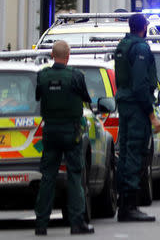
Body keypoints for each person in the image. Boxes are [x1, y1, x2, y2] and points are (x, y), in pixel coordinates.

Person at [34, 40, 94, 235]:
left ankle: (41, 224)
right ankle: (77, 223)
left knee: (48, 178)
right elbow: (86, 98)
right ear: (68, 56)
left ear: (52, 55)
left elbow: (38, 96)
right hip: (71, 133)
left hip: (50, 133)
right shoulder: (76, 76)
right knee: (75, 177)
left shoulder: (42, 76)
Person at [114, 13, 160, 222]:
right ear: (144, 28)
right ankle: (130, 206)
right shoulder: (141, 48)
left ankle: (123, 202)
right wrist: (151, 114)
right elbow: (141, 84)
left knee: (125, 153)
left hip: (124, 104)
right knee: (134, 153)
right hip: (136, 107)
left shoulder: (122, 46)